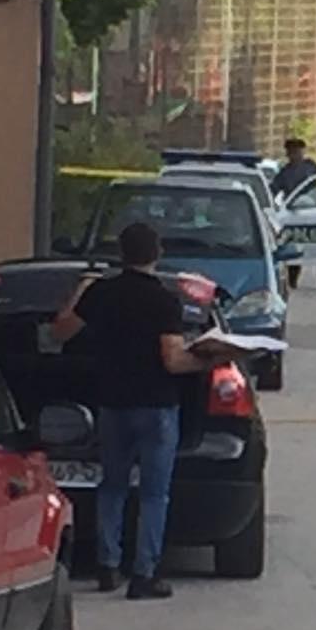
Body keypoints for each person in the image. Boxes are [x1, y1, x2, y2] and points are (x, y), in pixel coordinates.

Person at [50, 221, 224, 599]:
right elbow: (173, 361)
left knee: (111, 486)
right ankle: (144, 574)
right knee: (153, 493)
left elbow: (60, 332)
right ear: (157, 253)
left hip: (113, 404)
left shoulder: (101, 294)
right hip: (157, 406)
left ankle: (107, 566)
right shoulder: (163, 300)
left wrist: (81, 289)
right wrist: (211, 360)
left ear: (120, 252)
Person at [272, 136, 316, 291]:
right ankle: (293, 279)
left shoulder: (311, 166)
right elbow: (273, 190)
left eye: (298, 151)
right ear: (288, 153)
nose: (296, 155)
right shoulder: (285, 173)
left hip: (315, 210)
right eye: (292, 152)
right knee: (295, 245)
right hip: (295, 213)